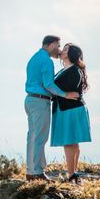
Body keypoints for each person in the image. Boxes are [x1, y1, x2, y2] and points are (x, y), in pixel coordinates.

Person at [24, 35, 80, 181]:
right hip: (39, 101)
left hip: (30, 100)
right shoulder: (47, 61)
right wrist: (65, 94)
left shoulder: (34, 58)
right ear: (49, 45)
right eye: (57, 46)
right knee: (40, 138)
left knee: (32, 137)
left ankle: (30, 171)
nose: (59, 50)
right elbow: (48, 84)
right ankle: (37, 172)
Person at [50, 43, 92, 183]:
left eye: (66, 49)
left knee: (69, 142)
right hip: (66, 109)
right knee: (72, 142)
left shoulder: (74, 70)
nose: (62, 50)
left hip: (71, 109)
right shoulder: (64, 70)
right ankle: (73, 174)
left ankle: (71, 174)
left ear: (71, 54)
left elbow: (62, 89)